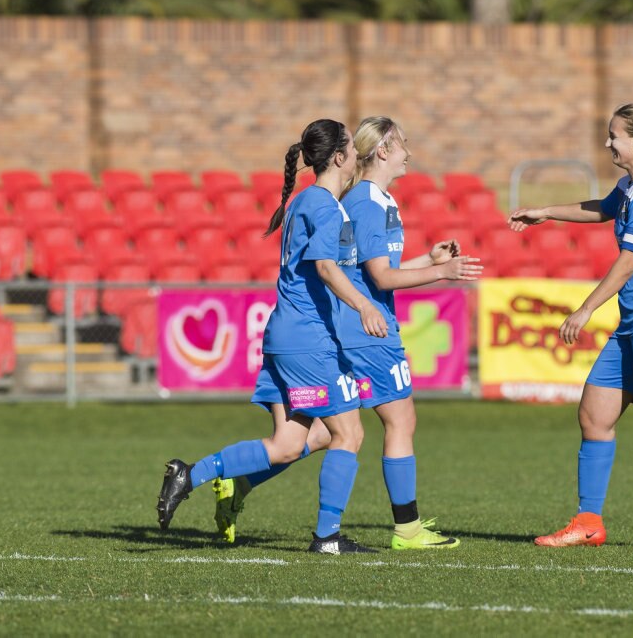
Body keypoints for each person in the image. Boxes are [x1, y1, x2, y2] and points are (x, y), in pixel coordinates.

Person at [212, 116, 483, 550]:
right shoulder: (364, 203)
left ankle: (240, 481)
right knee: (397, 420)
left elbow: (370, 270)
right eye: (402, 145)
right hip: (364, 330)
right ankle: (405, 530)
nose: (409, 153)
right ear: (381, 151)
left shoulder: (372, 200)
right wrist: (440, 271)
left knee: (322, 433)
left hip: (355, 326)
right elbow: (375, 278)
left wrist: (424, 262)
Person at [156, 118, 389, 555]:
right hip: (308, 341)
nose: (358, 155)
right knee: (349, 434)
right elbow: (324, 266)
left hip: (284, 336)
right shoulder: (323, 206)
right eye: (352, 151)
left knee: (287, 445)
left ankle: (191, 473)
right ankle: (327, 538)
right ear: (338, 157)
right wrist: (364, 305)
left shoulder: (305, 201)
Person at [508, 103, 633, 550]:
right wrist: (546, 211)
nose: (608, 142)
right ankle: (589, 523)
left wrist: (584, 309)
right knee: (594, 415)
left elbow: (628, 263)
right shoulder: (631, 186)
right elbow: (602, 209)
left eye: (613, 135)